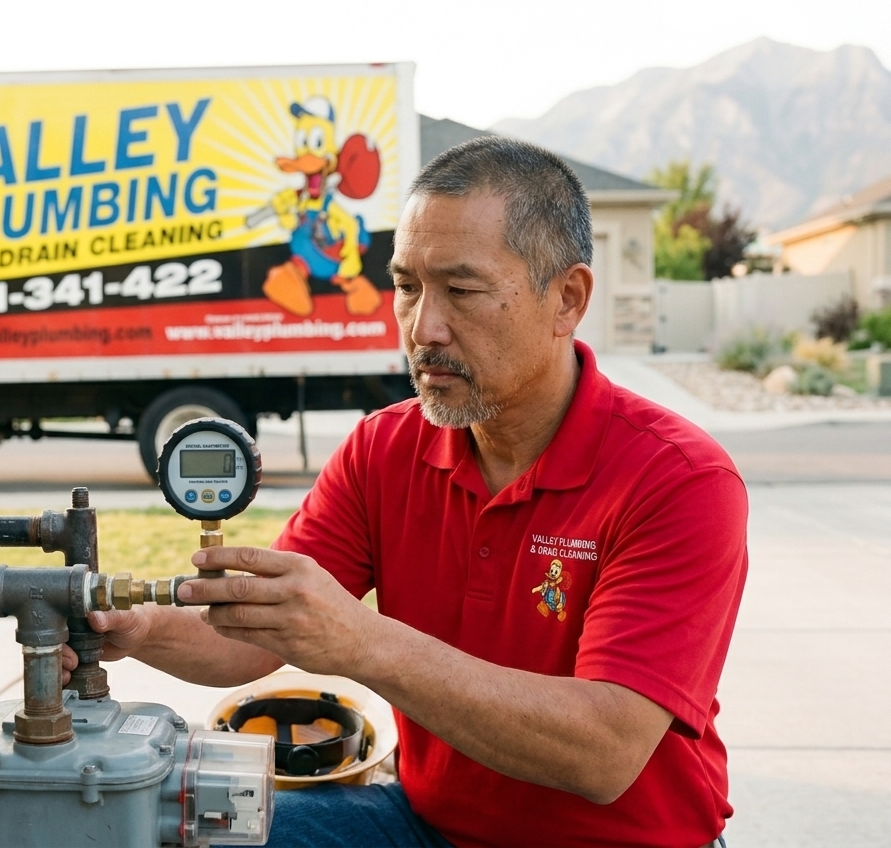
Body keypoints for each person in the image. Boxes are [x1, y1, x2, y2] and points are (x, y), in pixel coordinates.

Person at [68, 136, 748, 847]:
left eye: (461, 289)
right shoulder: (383, 449)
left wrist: (362, 642)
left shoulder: (679, 480)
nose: (423, 327)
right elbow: (251, 636)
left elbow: (604, 751)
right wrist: (133, 628)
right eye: (406, 286)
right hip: (427, 827)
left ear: (567, 299)